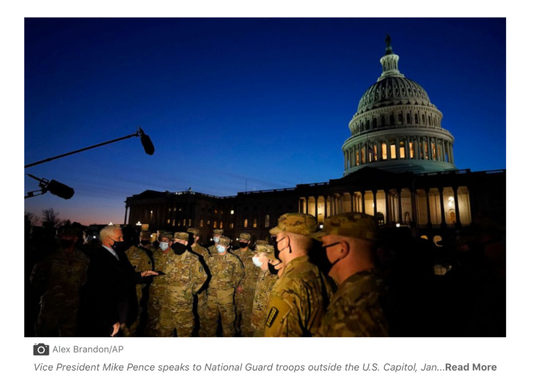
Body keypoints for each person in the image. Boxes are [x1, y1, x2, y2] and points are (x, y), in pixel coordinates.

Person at [310, 212, 389, 337]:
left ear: (342, 249)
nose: (321, 249)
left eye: (324, 244)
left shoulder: (356, 308)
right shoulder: (375, 289)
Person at [264, 213, 335, 337]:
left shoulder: (288, 286)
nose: (275, 242)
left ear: (285, 242)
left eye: (276, 238)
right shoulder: (317, 272)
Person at [85, 225, 157, 337]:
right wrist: (112, 319)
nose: (122, 240)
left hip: (122, 310)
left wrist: (141, 275)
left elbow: (122, 277)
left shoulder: (119, 254)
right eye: (119, 238)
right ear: (108, 239)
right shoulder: (99, 258)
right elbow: (101, 292)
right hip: (110, 315)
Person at [30, 227, 90, 336]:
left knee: (68, 334)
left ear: (75, 239)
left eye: (67, 237)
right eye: (61, 236)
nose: (63, 239)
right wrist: (48, 292)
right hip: (50, 304)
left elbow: (84, 278)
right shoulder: (49, 255)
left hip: (71, 305)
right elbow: (35, 277)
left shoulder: (83, 258)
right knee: (43, 335)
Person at [158, 232, 208, 336]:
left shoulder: (193, 259)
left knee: (184, 332)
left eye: (180, 241)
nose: (177, 243)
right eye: (175, 241)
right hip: (167, 301)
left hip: (183, 304)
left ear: (186, 243)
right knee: (165, 330)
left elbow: (202, 277)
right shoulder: (169, 257)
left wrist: (189, 291)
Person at [205, 236, 244, 336]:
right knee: (210, 322)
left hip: (226, 296)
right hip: (212, 295)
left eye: (223, 245)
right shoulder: (210, 259)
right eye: (219, 245)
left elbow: (239, 274)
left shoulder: (234, 260)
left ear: (228, 247)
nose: (220, 247)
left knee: (228, 323)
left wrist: (231, 286)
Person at [124, 229, 155, 336]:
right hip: (117, 294)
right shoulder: (115, 252)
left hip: (135, 293)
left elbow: (146, 277)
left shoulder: (142, 254)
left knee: (133, 320)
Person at [145, 231, 173, 336]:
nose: (163, 243)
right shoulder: (155, 253)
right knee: (152, 318)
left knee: (165, 321)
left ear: (171, 243)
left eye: (165, 241)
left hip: (167, 293)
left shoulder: (175, 255)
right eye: (161, 241)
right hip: (154, 292)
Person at [250, 241, 279, 337]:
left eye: (257, 255)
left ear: (266, 258)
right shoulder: (260, 272)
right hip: (257, 320)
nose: (254, 257)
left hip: (267, 323)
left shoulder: (274, 278)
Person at [234, 232, 260, 336]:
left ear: (249, 242)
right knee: (234, 316)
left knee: (247, 317)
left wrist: (244, 286)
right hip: (235, 292)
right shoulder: (233, 253)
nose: (242, 242)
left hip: (248, 292)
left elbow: (257, 274)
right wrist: (236, 286)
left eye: (244, 241)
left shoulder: (254, 256)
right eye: (241, 240)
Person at [187, 227, 211, 336]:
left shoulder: (203, 251)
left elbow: (208, 270)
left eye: (192, 235)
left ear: (196, 238)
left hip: (199, 289)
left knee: (201, 314)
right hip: (185, 289)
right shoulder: (182, 249)